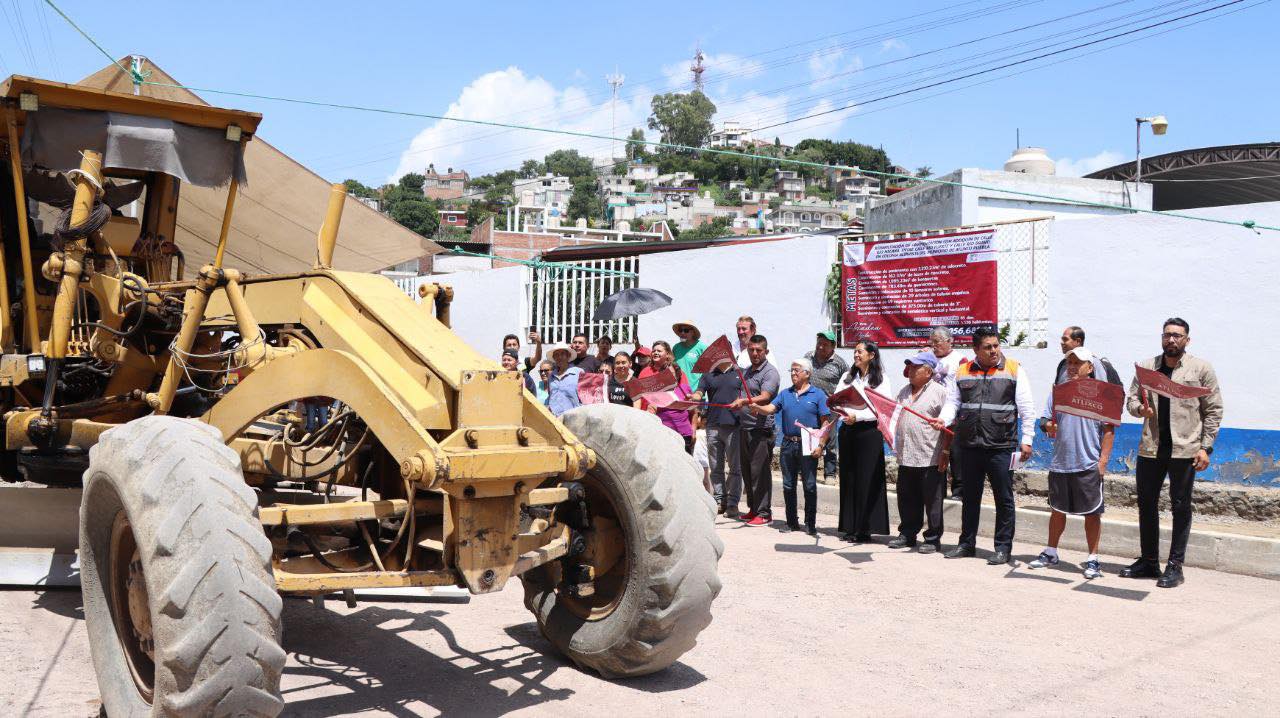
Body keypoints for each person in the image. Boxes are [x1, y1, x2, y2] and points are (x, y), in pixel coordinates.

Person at [1121, 318, 1224, 589]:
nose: (1171, 340)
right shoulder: (1146, 368)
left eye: (1177, 336)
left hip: (1185, 449)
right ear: (1161, 338)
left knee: (1180, 506)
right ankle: (1149, 561)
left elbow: (1213, 410)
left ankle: (1175, 566)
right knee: (1146, 504)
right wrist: (1138, 410)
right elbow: (1131, 399)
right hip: (1151, 447)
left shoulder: (1201, 369)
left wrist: (1206, 447)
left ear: (1187, 340)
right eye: (1167, 335)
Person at [934, 326, 1036, 566]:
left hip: (1002, 446)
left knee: (1004, 498)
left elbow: (1027, 407)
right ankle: (967, 543)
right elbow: (953, 403)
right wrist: (944, 419)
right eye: (988, 347)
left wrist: (1027, 439)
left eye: (996, 345)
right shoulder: (963, 371)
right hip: (969, 445)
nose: (993, 351)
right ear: (975, 349)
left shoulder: (1013, 369)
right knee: (970, 498)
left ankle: (1002, 548)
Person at [1028, 347, 1115, 580]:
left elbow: (1109, 430)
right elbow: (1045, 419)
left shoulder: (1101, 394)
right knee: (1056, 510)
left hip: (1088, 463)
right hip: (1060, 462)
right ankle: (1051, 552)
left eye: (1079, 363)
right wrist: (1047, 426)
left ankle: (1093, 559)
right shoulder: (1059, 392)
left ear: (1091, 367)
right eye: (1070, 363)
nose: (1073, 367)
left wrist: (1103, 461)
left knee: (1092, 513)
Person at [750, 357, 829, 535]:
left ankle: (810, 523)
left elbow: (825, 422)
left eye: (796, 370)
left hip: (809, 444)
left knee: (809, 485)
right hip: (787, 444)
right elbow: (771, 408)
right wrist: (757, 407)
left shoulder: (818, 395)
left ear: (807, 374)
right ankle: (791, 522)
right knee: (788, 485)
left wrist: (821, 445)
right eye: (791, 370)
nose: (793, 373)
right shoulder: (785, 394)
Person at [887, 352, 950, 554]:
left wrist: (946, 452)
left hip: (930, 456)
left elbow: (950, 424)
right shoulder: (904, 391)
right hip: (906, 455)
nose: (911, 371)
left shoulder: (940, 392)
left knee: (932, 501)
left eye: (916, 367)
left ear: (928, 371)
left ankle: (932, 538)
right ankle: (907, 534)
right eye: (910, 367)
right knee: (906, 498)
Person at [833, 340, 892, 542]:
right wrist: (845, 414)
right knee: (849, 478)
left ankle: (865, 528)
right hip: (848, 430)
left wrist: (857, 416)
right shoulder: (847, 377)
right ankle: (850, 526)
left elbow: (881, 407)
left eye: (860, 352)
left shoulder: (881, 379)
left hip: (869, 432)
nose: (856, 355)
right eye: (855, 352)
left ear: (871, 355)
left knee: (867, 479)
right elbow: (837, 399)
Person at [730, 335, 780, 527]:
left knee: (760, 473)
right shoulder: (748, 372)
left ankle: (764, 512)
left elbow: (766, 396)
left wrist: (744, 402)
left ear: (766, 351)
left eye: (759, 350)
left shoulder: (770, 372)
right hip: (745, 426)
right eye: (751, 350)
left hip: (761, 429)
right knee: (748, 472)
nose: (755, 353)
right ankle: (753, 509)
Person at [694, 348, 746, 517]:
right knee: (715, 467)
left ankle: (732, 503)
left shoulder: (741, 373)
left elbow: (747, 396)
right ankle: (719, 500)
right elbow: (700, 392)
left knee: (735, 468)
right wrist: (695, 396)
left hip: (734, 425)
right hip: (713, 426)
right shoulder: (708, 374)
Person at [806, 330, 848, 482]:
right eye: (819, 343)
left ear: (833, 347)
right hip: (810, 405)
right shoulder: (808, 357)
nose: (820, 347)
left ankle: (830, 473)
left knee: (829, 440)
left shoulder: (840, 363)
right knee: (810, 437)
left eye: (825, 344)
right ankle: (807, 470)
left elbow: (848, 383)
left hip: (830, 407)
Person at [929, 327, 966, 499]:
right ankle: (938, 489)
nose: (934, 345)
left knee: (956, 452)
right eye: (932, 342)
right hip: (933, 412)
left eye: (937, 342)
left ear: (949, 341)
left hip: (954, 411)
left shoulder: (960, 360)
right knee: (936, 452)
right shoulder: (928, 358)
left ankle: (959, 489)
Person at [643, 341, 697, 453]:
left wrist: (694, 431)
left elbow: (694, 412)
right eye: (665, 373)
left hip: (685, 435)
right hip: (665, 436)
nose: (668, 375)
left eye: (671, 373)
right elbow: (651, 412)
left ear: (677, 375)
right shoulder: (657, 392)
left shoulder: (685, 389)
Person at [1055, 326, 1122, 386]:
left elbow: (1104, 393)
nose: (1062, 342)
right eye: (1069, 363)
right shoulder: (1062, 364)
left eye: (1065, 339)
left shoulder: (1096, 364)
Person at [545, 346, 582, 417]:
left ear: (568, 356)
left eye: (562, 354)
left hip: (574, 417)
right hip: (555, 418)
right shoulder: (551, 376)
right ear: (554, 358)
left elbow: (584, 396)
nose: (559, 357)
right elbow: (551, 395)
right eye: (556, 355)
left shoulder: (578, 372)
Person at [671, 320, 707, 390]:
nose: (682, 333)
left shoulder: (702, 347)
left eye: (686, 330)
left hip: (696, 393)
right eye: (680, 330)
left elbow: (707, 372)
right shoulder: (676, 347)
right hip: (678, 392)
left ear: (693, 332)